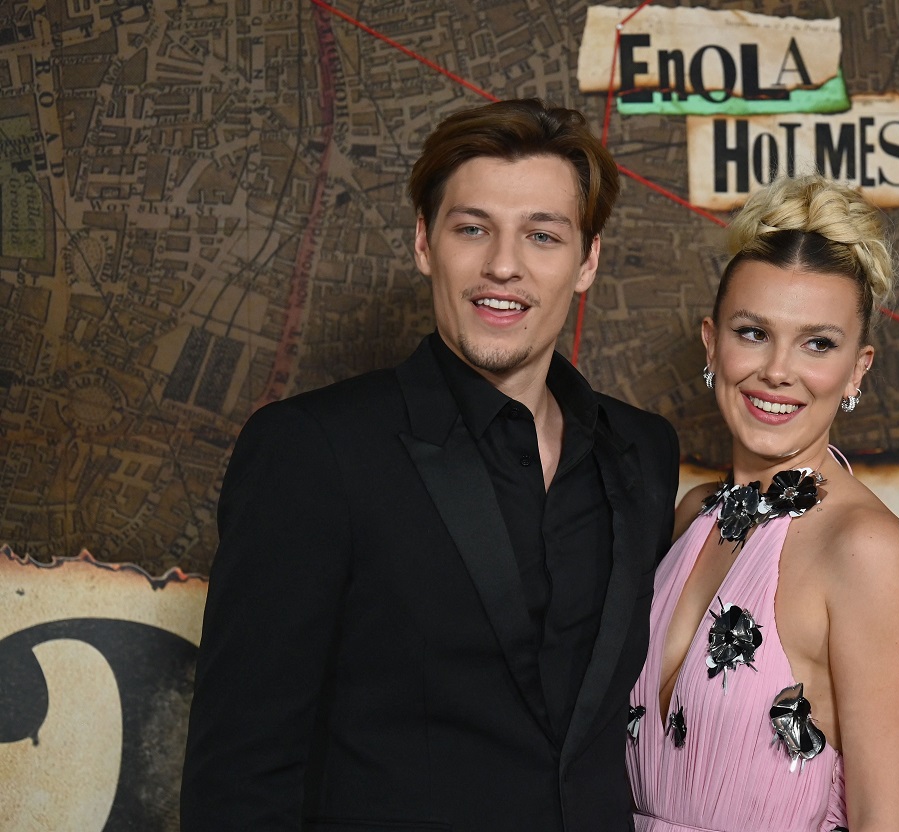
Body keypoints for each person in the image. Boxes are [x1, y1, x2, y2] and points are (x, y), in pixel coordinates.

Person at [181, 99, 680, 832]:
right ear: (423, 243)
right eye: (472, 228)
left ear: (587, 261)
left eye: (542, 235)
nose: (502, 265)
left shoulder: (642, 450)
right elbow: (239, 775)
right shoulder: (312, 450)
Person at [626, 175, 899, 831]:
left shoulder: (862, 550)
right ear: (711, 343)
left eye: (817, 343)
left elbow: (884, 821)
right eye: (752, 332)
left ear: (857, 368)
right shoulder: (693, 514)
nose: (777, 371)